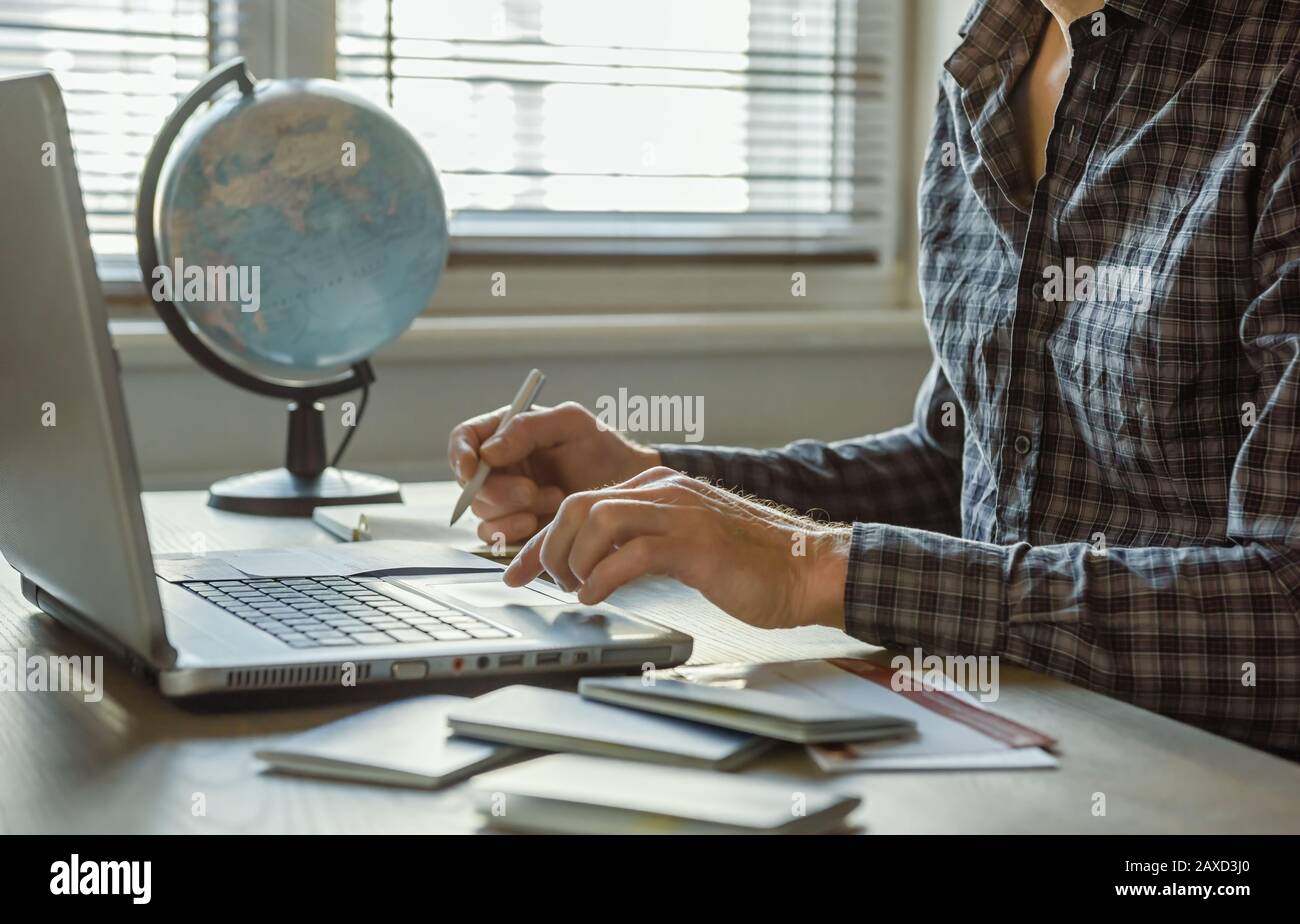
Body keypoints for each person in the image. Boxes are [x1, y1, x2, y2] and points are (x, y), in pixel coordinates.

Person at [448, 0, 1300, 759]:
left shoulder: (1278, 71)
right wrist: (653, 484)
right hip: (999, 732)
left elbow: (1285, 605)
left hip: (1211, 780)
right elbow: (956, 466)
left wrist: (817, 571)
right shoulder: (991, 58)